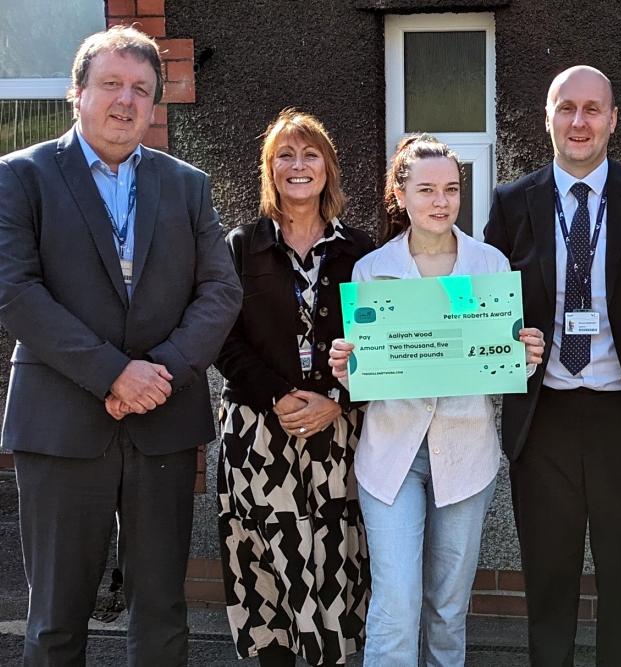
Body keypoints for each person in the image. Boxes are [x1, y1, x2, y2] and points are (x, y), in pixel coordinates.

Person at [0, 26, 242, 665]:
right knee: (55, 620)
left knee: (161, 614)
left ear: (154, 103)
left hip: (162, 423)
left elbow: (220, 291)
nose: (126, 101)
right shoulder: (21, 177)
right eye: (110, 84)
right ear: (76, 94)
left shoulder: (186, 184)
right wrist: (113, 374)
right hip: (60, 424)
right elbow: (14, 291)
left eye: (141, 89)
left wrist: (155, 373)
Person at [484, 65, 621, 665]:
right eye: (566, 108)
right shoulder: (512, 202)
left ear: (613, 120)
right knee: (549, 579)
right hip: (542, 420)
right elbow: (487, 303)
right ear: (548, 118)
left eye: (592, 109)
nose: (579, 121)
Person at [329, 134, 545, 665]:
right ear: (399, 195)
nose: (440, 201)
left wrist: (523, 357)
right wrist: (347, 369)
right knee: (396, 604)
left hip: (466, 453)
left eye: (451, 189)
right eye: (426, 189)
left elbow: (498, 368)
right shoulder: (371, 271)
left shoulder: (490, 266)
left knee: (448, 608)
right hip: (392, 457)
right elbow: (369, 379)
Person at [213, 109, 372, 666]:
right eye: (286, 155)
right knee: (266, 563)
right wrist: (277, 395)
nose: (298, 166)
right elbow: (221, 339)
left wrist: (339, 400)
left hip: (335, 436)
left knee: (333, 564)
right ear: (269, 168)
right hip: (259, 435)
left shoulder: (360, 251)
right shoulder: (239, 246)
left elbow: (382, 347)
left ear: (327, 168)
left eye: (310, 155)